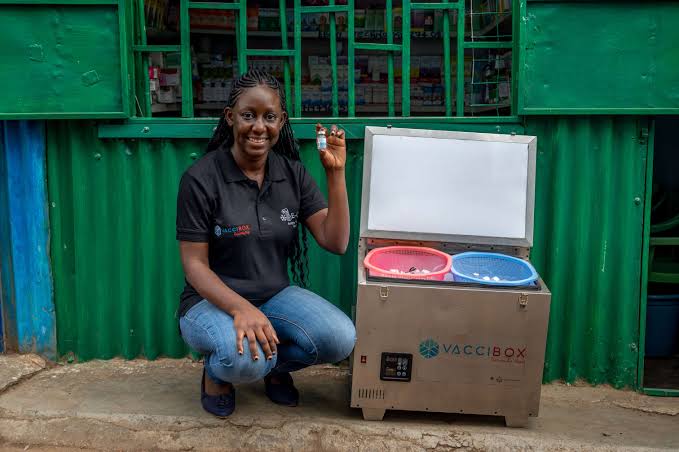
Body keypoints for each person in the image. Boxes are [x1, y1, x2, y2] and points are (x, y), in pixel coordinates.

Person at [175, 69, 356, 418]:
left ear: (281, 121)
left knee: (339, 338)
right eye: (248, 115)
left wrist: (335, 173)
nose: (259, 127)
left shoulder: (292, 174)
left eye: (269, 117)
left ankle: (273, 367)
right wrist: (241, 309)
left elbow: (336, 242)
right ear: (230, 118)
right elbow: (194, 264)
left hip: (273, 297)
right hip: (209, 303)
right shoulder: (201, 179)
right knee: (244, 359)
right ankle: (217, 373)